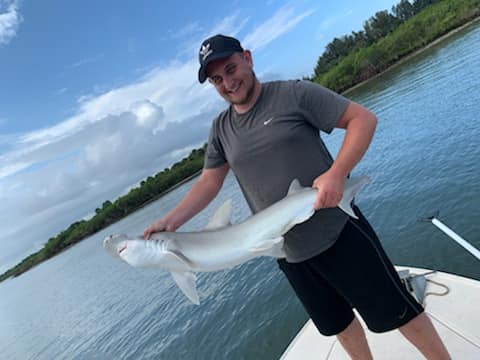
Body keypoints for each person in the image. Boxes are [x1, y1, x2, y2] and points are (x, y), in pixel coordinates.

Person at [144, 34, 450, 359]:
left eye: (231, 69)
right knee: (338, 326)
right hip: (288, 253)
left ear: (247, 57)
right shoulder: (220, 130)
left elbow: (362, 119)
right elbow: (208, 182)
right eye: (217, 79)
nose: (228, 83)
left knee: (400, 313)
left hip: (338, 232)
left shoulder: (293, 93)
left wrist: (336, 174)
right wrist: (169, 222)